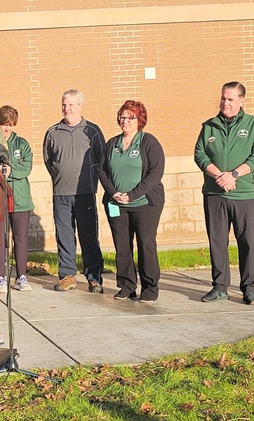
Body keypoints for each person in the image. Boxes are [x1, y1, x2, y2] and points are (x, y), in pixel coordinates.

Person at [193, 81, 254, 305]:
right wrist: (219, 176)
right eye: (223, 98)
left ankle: (249, 288)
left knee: (246, 241)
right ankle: (219, 286)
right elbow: (200, 155)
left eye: (231, 99)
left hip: (245, 194)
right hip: (215, 194)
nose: (225, 103)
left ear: (241, 101)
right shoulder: (209, 126)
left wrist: (233, 175)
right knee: (217, 241)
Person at [99, 100, 165, 302]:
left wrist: (133, 194)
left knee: (146, 244)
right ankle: (127, 286)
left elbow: (156, 172)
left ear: (140, 120)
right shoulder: (112, 144)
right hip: (117, 205)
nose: (124, 120)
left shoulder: (149, 142)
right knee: (122, 247)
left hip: (145, 204)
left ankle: (150, 289)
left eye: (130, 117)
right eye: (122, 116)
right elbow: (101, 170)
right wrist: (113, 192)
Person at [43, 89, 106, 292]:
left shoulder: (92, 131)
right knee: (64, 235)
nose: (66, 109)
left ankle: (94, 277)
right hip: (61, 193)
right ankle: (68, 275)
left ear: (80, 106)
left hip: (85, 193)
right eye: (64, 104)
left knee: (88, 235)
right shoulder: (52, 133)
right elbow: (49, 161)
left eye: (70, 105)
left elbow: (101, 159)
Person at [0, 106, 34, 290]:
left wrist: (11, 170)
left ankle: (21, 277)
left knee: (20, 238)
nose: (7, 129)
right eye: (3, 124)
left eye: (10, 125)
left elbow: (26, 168)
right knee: (0, 238)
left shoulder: (22, 143)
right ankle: (0, 277)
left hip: (20, 198)